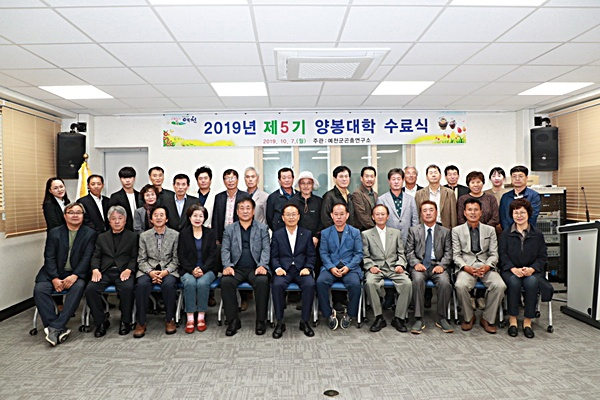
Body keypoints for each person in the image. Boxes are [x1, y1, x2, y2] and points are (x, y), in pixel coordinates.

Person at [33, 202, 97, 346]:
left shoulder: (90, 234)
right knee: (40, 289)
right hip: (53, 273)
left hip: (76, 274)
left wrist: (75, 275)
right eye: (71, 212)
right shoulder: (54, 233)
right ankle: (56, 327)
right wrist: (55, 278)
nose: (75, 215)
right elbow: (49, 257)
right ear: (65, 215)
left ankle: (55, 327)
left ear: (83, 215)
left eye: (78, 212)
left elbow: (87, 258)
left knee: (78, 287)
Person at [500, 199, 553, 339]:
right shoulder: (506, 233)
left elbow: (542, 257)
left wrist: (532, 269)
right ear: (511, 215)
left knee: (531, 282)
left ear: (529, 214)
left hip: (532, 271)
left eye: (522, 212)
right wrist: (513, 269)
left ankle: (527, 321)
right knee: (514, 282)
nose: (519, 216)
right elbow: (503, 255)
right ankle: (512, 320)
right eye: (515, 212)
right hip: (511, 271)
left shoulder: (537, 234)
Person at [453, 198, 506, 334]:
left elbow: (494, 253)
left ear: (481, 212)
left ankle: (487, 318)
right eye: (469, 210)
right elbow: (456, 255)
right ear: (464, 212)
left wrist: (488, 266)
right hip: (467, 266)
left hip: (485, 265)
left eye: (476, 210)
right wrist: (466, 267)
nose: (473, 213)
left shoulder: (490, 230)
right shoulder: (456, 230)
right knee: (460, 285)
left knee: (500, 285)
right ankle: (468, 317)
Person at [85, 205, 138, 337]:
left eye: (120, 218)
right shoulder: (102, 237)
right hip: (105, 271)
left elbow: (135, 257)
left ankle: (125, 321)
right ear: (109, 221)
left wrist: (129, 269)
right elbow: (96, 256)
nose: (117, 221)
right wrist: (95, 270)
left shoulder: (133, 236)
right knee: (91, 289)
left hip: (124, 271)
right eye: (113, 218)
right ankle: (101, 322)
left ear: (125, 220)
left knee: (127, 288)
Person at [220, 197, 271, 337]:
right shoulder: (229, 229)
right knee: (226, 281)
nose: (245, 211)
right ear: (237, 212)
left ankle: (261, 320)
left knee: (262, 281)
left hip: (256, 268)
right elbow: (225, 249)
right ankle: (233, 320)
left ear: (253, 211)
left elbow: (266, 249)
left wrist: (262, 265)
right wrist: (227, 265)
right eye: (241, 208)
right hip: (236, 268)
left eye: (248, 208)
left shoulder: (262, 228)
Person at [362, 204, 412, 333]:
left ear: (388, 216)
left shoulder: (396, 233)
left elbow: (401, 253)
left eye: (383, 214)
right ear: (373, 217)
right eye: (377, 214)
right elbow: (365, 256)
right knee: (370, 283)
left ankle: (399, 318)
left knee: (407, 283)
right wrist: (371, 266)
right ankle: (379, 317)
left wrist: (400, 264)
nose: (380, 216)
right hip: (376, 268)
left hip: (394, 268)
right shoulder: (366, 234)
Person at [405, 201, 453, 334]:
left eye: (431, 210)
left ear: (436, 213)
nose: (428, 213)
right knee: (417, 280)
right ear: (421, 214)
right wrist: (416, 263)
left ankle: (442, 318)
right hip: (419, 265)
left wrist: (442, 265)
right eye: (425, 210)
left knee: (444, 282)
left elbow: (449, 252)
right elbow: (409, 251)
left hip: (437, 266)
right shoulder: (413, 230)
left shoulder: (445, 231)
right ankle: (418, 318)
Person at [270, 203, 316, 339]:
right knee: (277, 285)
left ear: (299, 216)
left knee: (310, 284)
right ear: (283, 217)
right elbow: (273, 256)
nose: (291, 217)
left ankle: (304, 321)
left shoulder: (306, 234)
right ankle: (280, 322)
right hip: (284, 270)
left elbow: (311, 255)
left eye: (294, 214)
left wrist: (308, 268)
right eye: (288, 215)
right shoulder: (277, 234)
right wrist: (277, 268)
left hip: (301, 270)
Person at [133, 205, 180, 338]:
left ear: (166, 219)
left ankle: (170, 319)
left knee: (169, 285)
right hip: (148, 269)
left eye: (161, 215)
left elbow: (176, 259)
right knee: (141, 285)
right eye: (155, 215)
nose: (158, 218)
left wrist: (165, 272)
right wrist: (150, 272)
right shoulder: (144, 236)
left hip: (168, 270)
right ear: (151, 219)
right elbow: (141, 259)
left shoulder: (175, 235)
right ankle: (141, 322)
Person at [316, 203, 363, 330]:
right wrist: (331, 267)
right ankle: (329, 314)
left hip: (350, 268)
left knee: (355, 285)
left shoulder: (355, 232)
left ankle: (350, 314)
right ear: (331, 215)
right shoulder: (325, 232)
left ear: (347, 215)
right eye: (336, 214)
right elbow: (323, 253)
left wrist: (348, 267)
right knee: (320, 282)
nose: (338, 217)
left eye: (342, 214)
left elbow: (358, 254)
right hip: (331, 267)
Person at [177, 204, 219, 334]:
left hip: (207, 269)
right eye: (195, 215)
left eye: (201, 216)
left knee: (202, 283)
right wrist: (192, 270)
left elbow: (213, 255)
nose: (197, 218)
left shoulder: (210, 233)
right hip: (188, 269)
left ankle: (201, 315)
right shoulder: (183, 234)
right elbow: (181, 256)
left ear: (204, 218)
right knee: (189, 282)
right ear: (189, 217)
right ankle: (190, 317)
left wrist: (203, 269)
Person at [376, 168, 419, 245]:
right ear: (389, 181)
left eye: (398, 179)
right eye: (393, 179)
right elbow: (380, 221)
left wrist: (413, 238)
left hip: (408, 239)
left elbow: (415, 220)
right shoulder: (381, 199)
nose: (396, 182)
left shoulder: (410, 199)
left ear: (403, 180)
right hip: (388, 240)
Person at [212, 169, 248, 244]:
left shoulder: (245, 196)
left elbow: (249, 218)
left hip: (240, 236)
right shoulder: (219, 197)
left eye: (233, 178)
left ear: (237, 180)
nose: (230, 181)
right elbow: (215, 218)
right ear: (224, 181)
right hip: (223, 236)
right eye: (227, 178)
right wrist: (215, 238)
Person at [499, 165, 541, 231]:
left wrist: (522, 231)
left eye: (520, 176)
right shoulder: (505, 196)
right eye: (514, 176)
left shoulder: (534, 196)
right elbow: (503, 218)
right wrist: (509, 232)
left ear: (526, 178)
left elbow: (532, 216)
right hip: (509, 233)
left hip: (528, 232)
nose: (517, 179)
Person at [415, 164, 457, 229]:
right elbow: (417, 214)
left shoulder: (449, 193)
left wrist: (453, 231)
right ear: (427, 177)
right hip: (425, 228)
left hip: (444, 228)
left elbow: (453, 215)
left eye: (435, 173)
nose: (433, 175)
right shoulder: (419, 193)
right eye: (431, 173)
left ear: (440, 176)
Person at [290, 171, 323, 247]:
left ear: (313, 185)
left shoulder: (319, 201)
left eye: (309, 183)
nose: (306, 186)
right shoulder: (292, 202)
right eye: (303, 183)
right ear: (299, 185)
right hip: (296, 241)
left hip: (315, 241)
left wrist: (316, 236)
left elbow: (322, 221)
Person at [109, 166, 142, 232]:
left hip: (140, 231)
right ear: (120, 179)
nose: (127, 180)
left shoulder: (140, 195)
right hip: (124, 232)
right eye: (124, 178)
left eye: (130, 177)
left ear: (134, 178)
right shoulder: (115, 197)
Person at [266, 167, 298, 233]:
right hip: (279, 234)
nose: (287, 180)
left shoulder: (299, 195)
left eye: (289, 177)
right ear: (279, 180)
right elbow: (269, 218)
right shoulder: (272, 197)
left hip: (298, 233)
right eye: (284, 178)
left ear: (293, 179)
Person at [351, 166, 378, 232]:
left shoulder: (375, 194)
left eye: (372, 176)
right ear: (361, 178)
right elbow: (361, 214)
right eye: (367, 176)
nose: (369, 179)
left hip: (373, 230)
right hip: (362, 230)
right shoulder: (357, 194)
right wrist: (374, 228)